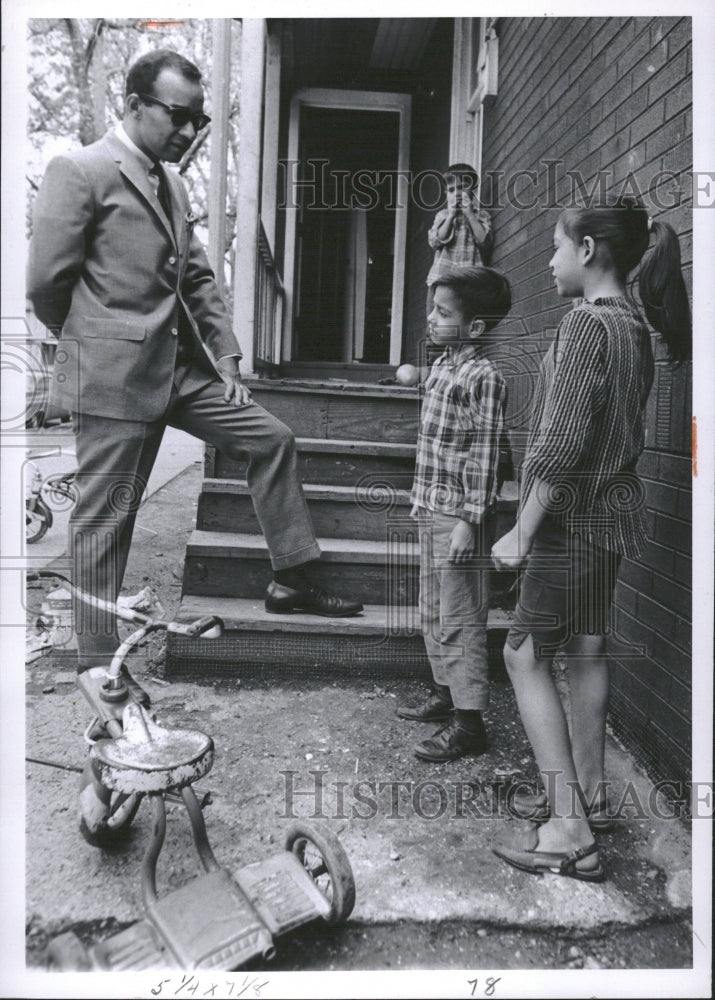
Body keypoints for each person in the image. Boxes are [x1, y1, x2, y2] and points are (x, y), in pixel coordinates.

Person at [26, 49, 362, 701]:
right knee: (107, 522)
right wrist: (98, 341)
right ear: (135, 105)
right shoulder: (81, 170)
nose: (188, 131)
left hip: (181, 371)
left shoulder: (173, 184)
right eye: (178, 116)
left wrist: (227, 357)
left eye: (197, 121)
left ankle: (291, 578)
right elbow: (45, 284)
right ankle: (101, 671)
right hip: (114, 378)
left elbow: (199, 278)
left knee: (270, 439)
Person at [490, 196, 691, 881]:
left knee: (522, 655)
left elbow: (561, 442)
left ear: (586, 252)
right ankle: (590, 794)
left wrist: (520, 530)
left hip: (569, 522)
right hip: (609, 519)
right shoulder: (634, 328)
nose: (548, 261)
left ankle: (567, 828)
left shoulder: (585, 326)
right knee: (584, 648)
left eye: (554, 246)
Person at [397, 264, 512, 762]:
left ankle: (471, 724)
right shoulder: (445, 364)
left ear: (476, 328)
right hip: (430, 507)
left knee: (461, 616)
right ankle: (447, 693)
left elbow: (485, 452)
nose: (430, 318)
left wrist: (471, 517)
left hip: (458, 519)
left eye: (443, 313)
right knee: (433, 609)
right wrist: (415, 375)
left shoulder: (484, 377)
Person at [426, 163, 493, 297]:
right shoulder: (443, 215)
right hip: (442, 280)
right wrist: (451, 216)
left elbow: (484, 241)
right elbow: (435, 241)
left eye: (461, 187)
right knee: (435, 317)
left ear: (474, 190)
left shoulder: (481, 216)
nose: (456, 193)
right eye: (451, 190)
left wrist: (469, 215)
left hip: (470, 281)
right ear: (446, 194)